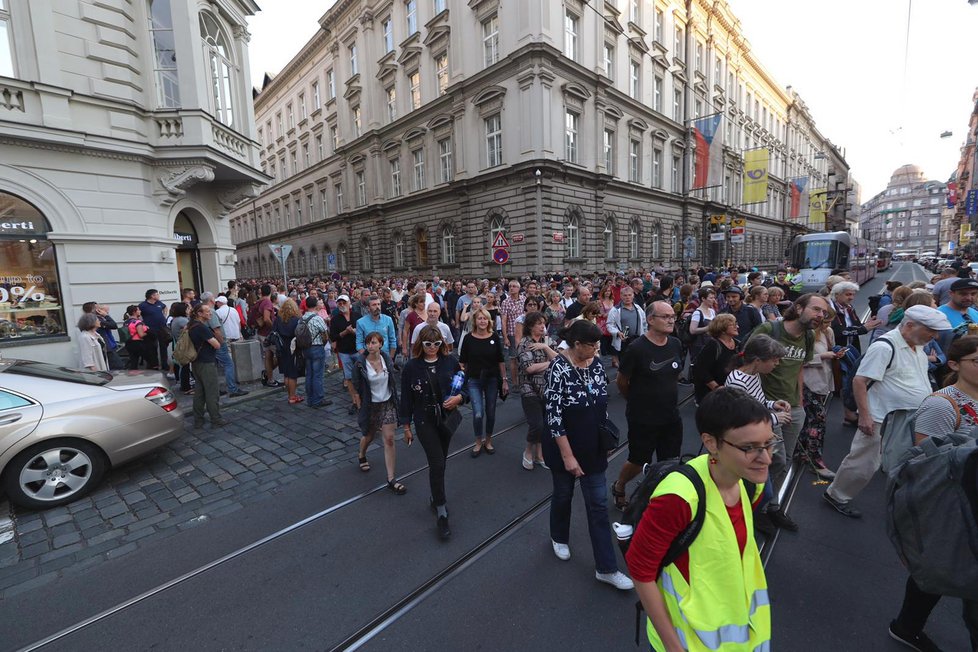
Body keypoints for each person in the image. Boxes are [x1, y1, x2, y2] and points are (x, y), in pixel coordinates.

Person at [626, 387, 772, 652]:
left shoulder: (751, 484)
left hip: (740, 635)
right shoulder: (679, 498)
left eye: (768, 443)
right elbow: (640, 569)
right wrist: (673, 647)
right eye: (748, 447)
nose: (765, 458)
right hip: (688, 641)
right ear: (711, 442)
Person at [887, 335, 978, 651]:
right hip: (953, 503)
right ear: (954, 364)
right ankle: (906, 627)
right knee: (941, 567)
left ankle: (906, 626)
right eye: (977, 361)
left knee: (945, 569)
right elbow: (927, 463)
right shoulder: (943, 404)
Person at [823, 305, 951, 518]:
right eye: (931, 330)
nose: (935, 336)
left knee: (898, 460)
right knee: (864, 461)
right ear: (910, 325)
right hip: (882, 416)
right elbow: (860, 381)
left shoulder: (917, 345)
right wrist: (864, 416)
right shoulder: (885, 347)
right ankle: (836, 495)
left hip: (906, 416)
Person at [544, 319, 634, 591]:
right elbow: (554, 416)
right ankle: (559, 536)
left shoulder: (595, 364)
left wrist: (605, 436)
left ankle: (606, 568)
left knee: (597, 506)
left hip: (593, 446)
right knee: (563, 494)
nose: (597, 349)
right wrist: (568, 456)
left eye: (598, 344)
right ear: (577, 344)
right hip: (565, 447)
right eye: (592, 345)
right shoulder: (557, 369)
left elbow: (601, 402)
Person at [748, 293, 831, 531]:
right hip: (766, 408)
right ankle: (753, 508)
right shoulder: (769, 329)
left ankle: (770, 507)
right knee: (774, 459)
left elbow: (799, 368)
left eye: (824, 313)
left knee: (782, 464)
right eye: (816, 310)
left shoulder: (806, 336)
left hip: (792, 408)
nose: (820, 316)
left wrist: (800, 401)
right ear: (798, 308)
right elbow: (747, 361)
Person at [611, 301, 684, 510]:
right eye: (665, 316)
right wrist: (636, 400)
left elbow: (675, 374)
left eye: (672, 316)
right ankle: (620, 485)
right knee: (637, 460)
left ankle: (658, 499)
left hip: (671, 416)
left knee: (669, 461)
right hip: (643, 417)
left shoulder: (675, 344)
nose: (671, 320)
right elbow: (622, 382)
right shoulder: (636, 348)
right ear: (650, 320)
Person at [399, 325, 466, 540]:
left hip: (445, 419)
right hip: (423, 419)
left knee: (442, 462)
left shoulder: (450, 362)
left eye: (436, 344)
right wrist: (406, 426)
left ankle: (435, 496)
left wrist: (460, 398)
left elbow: (464, 386)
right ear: (421, 344)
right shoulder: (411, 367)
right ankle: (441, 509)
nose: (432, 348)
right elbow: (406, 399)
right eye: (428, 344)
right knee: (437, 462)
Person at [352, 332, 406, 494]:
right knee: (369, 435)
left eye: (374, 343)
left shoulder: (386, 359)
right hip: (371, 405)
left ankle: (391, 478)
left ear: (380, 344)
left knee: (389, 439)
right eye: (368, 343)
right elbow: (356, 386)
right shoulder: (360, 364)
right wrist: (359, 404)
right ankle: (362, 454)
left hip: (387, 403)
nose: (370, 346)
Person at [799, 308, 844, 479]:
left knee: (809, 420)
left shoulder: (828, 332)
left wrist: (835, 354)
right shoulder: (806, 335)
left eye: (830, 322)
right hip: (808, 382)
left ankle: (803, 452)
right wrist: (823, 356)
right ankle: (815, 460)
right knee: (818, 420)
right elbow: (800, 360)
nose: (828, 326)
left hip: (823, 380)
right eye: (825, 322)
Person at [830, 281, 881, 425]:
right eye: (848, 294)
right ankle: (849, 414)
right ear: (837, 294)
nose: (851, 298)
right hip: (838, 350)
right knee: (845, 382)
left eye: (853, 294)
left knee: (849, 380)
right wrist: (863, 329)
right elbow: (838, 331)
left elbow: (856, 324)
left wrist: (867, 323)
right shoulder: (831, 309)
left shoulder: (849, 307)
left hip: (850, 348)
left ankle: (850, 413)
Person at [458, 308, 506, 457]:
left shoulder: (494, 337)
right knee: (478, 413)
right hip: (474, 379)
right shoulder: (468, 338)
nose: (482, 321)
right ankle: (478, 441)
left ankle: (488, 440)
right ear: (475, 321)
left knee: (490, 412)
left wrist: (504, 380)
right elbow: (462, 362)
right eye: (480, 318)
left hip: (492, 379)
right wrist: (459, 382)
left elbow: (500, 360)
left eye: (485, 318)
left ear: (489, 321)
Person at [516, 311, 557, 470]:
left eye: (543, 323)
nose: (542, 326)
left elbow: (561, 360)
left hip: (548, 388)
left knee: (546, 424)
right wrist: (550, 363)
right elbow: (529, 368)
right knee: (537, 424)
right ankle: (528, 451)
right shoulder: (524, 343)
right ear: (531, 326)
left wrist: (546, 347)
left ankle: (539, 455)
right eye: (539, 323)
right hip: (529, 389)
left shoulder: (548, 341)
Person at [187, 303, 226, 428]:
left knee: (199, 392)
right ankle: (216, 418)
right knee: (211, 392)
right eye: (207, 311)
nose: (210, 313)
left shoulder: (191, 325)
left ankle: (198, 419)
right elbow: (217, 345)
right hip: (207, 362)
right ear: (199, 314)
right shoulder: (201, 328)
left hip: (196, 362)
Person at [204, 293, 247, 399]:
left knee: (214, 366)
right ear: (212, 300)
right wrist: (221, 342)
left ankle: (215, 389)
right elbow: (217, 330)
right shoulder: (211, 312)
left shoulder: (206, 311)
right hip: (219, 342)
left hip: (212, 342)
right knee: (229, 364)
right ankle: (232, 389)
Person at [692, 314, 739, 404]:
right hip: (713, 396)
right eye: (732, 325)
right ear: (722, 328)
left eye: (736, 324)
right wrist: (717, 388)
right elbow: (701, 370)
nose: (737, 326)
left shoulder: (738, 344)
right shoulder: (713, 346)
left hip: (732, 394)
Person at [330, 294, 359, 414]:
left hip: (358, 350)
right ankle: (354, 401)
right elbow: (333, 336)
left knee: (362, 375)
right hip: (344, 351)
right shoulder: (335, 319)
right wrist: (344, 333)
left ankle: (363, 397)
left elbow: (364, 331)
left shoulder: (357, 316)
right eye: (339, 303)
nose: (342, 305)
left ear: (349, 304)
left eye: (344, 303)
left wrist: (354, 332)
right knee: (349, 377)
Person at [301, 296, 330, 408]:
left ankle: (310, 399)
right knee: (317, 375)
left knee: (309, 374)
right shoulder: (317, 318)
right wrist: (324, 343)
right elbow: (325, 332)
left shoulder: (302, 318)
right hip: (317, 347)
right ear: (316, 305)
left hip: (306, 348)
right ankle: (318, 399)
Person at [272, 298, 303, 405]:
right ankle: (292, 396)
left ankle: (289, 395)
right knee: (292, 374)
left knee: (286, 373)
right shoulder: (296, 320)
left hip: (281, 347)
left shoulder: (278, 319)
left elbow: (274, 331)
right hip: (292, 348)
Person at [607, 286, 645, 362]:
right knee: (625, 363)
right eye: (625, 295)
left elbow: (645, 323)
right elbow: (609, 325)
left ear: (633, 295)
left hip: (638, 340)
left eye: (629, 295)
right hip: (624, 342)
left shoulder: (638, 308)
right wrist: (617, 332)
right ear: (621, 296)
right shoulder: (615, 310)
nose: (627, 297)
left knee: (638, 362)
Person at [356, 294, 398, 359]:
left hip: (385, 356)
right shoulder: (360, 322)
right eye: (374, 305)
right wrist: (365, 358)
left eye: (379, 304)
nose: (377, 307)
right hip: (368, 357)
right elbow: (359, 343)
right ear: (368, 308)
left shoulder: (388, 320)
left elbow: (392, 340)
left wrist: (390, 357)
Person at [138, 289, 169, 370]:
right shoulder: (143, 305)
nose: (158, 296)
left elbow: (165, 307)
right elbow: (138, 314)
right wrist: (142, 323)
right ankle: (154, 364)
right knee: (152, 347)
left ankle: (164, 364)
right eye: (157, 294)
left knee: (163, 346)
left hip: (161, 328)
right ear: (152, 296)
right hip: (150, 329)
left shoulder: (159, 303)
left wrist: (164, 316)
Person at [687, 286, 717, 367]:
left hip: (710, 343)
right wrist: (707, 328)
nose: (713, 300)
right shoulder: (697, 313)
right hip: (699, 345)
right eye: (711, 298)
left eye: (714, 298)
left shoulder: (712, 311)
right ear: (703, 299)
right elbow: (692, 330)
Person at [168, 302, 193, 394]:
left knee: (184, 366)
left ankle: (184, 385)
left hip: (180, 344)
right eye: (187, 309)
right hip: (185, 345)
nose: (188, 310)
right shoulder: (182, 320)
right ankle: (186, 387)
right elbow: (192, 329)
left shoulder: (176, 319)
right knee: (185, 367)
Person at [123, 305, 149, 370]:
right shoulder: (138, 322)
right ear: (134, 312)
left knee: (134, 362)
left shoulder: (126, 322)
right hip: (138, 343)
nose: (140, 311)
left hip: (129, 343)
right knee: (150, 360)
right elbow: (141, 335)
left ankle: (133, 375)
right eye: (138, 310)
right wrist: (148, 332)